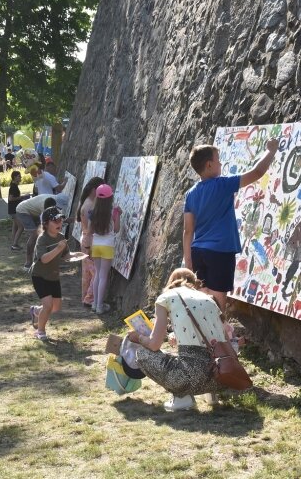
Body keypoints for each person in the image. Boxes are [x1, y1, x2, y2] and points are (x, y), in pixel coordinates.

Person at [182, 139, 278, 314]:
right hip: (220, 252)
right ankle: (217, 339)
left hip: (197, 252)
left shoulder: (190, 194)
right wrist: (270, 151)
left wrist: (188, 262)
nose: (221, 163)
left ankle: (202, 338)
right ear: (209, 165)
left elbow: (188, 231)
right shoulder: (222, 185)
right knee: (218, 305)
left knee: (200, 299)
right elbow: (257, 172)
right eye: (218, 160)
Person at [128, 268, 230, 411]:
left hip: (190, 378)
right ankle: (211, 395)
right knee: (202, 354)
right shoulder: (210, 299)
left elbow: (155, 345)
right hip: (221, 376)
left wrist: (138, 337)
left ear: (170, 282)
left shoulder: (166, 297)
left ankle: (182, 398)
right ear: (194, 283)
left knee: (143, 353)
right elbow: (224, 339)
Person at [28, 206, 70, 341]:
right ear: (46, 224)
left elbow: (65, 255)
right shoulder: (42, 239)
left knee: (56, 307)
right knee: (48, 305)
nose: (59, 223)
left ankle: (36, 311)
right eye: (55, 221)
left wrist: (75, 255)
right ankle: (40, 331)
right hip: (39, 276)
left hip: (53, 276)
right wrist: (58, 248)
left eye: (60, 220)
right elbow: (44, 259)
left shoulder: (62, 238)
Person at [89, 184, 121, 314]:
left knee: (97, 274)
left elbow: (90, 230)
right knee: (103, 276)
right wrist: (118, 215)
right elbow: (116, 229)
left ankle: (95, 304)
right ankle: (100, 306)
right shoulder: (113, 211)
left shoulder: (93, 212)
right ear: (110, 197)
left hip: (95, 245)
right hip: (107, 246)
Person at [15, 193, 64, 270]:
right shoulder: (46, 204)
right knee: (34, 235)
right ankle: (28, 263)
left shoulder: (54, 201)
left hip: (33, 211)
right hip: (22, 210)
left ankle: (48, 261)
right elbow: (46, 222)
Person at [76, 177, 105, 307]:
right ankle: (89, 298)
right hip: (89, 240)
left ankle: (86, 296)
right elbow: (90, 227)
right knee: (96, 271)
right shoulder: (89, 204)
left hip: (86, 239)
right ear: (94, 189)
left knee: (88, 271)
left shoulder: (86, 201)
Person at [8, 170, 27, 250]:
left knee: (15, 226)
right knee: (21, 227)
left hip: (13, 209)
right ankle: (15, 244)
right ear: (15, 177)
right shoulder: (13, 187)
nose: (20, 178)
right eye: (19, 176)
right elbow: (11, 198)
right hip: (14, 210)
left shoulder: (14, 186)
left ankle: (14, 242)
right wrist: (22, 197)